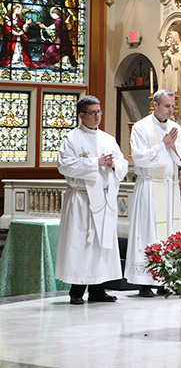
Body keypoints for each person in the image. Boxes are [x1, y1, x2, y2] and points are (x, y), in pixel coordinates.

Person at [55, 95, 128, 305]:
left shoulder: (107, 138)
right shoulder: (71, 139)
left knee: (100, 244)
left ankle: (98, 290)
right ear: (81, 115)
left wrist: (114, 165)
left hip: (103, 198)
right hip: (81, 199)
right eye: (93, 112)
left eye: (99, 112)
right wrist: (95, 162)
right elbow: (65, 166)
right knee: (81, 245)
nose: (98, 116)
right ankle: (76, 291)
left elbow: (122, 162)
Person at [125, 89, 181, 297]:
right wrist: (163, 146)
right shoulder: (141, 127)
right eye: (167, 106)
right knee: (148, 231)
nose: (171, 111)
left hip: (170, 187)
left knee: (170, 232)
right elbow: (139, 157)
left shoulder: (175, 128)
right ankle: (145, 282)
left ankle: (167, 279)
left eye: (173, 106)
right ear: (155, 105)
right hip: (149, 187)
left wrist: (172, 148)